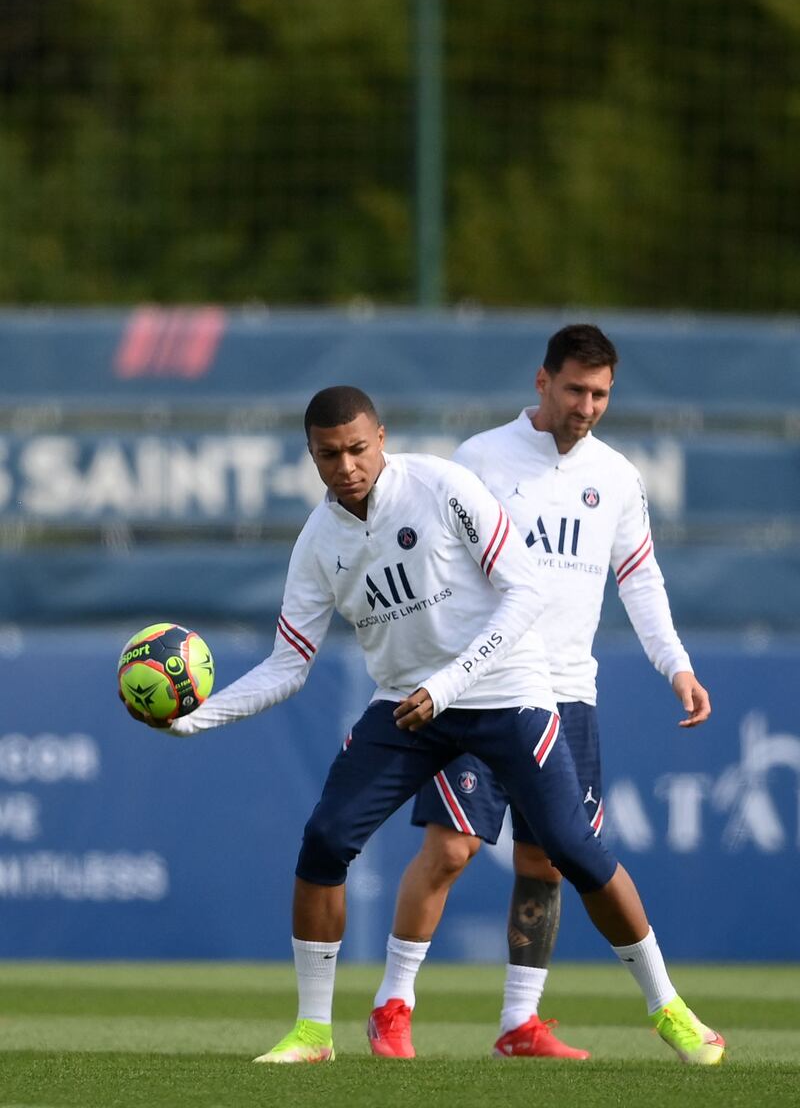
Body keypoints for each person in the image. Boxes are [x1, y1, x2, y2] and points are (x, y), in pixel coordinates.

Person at [129, 384, 724, 1067]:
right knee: (325, 840)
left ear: (381, 437)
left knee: (571, 846)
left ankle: (670, 1009)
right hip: (408, 705)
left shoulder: (443, 485)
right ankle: (314, 1033)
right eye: (329, 455)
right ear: (312, 456)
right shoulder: (318, 542)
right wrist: (198, 719)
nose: (347, 465)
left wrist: (449, 684)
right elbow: (288, 664)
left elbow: (526, 589)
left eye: (358, 448)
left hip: (506, 692)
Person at [367, 324, 713, 1063]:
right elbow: (434, 568)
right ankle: (393, 1005)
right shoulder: (483, 460)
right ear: (542, 382)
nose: (586, 405)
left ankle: (519, 1023)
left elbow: (640, 577)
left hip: (568, 693)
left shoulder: (617, 477)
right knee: (454, 846)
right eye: (574, 389)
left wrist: (675, 664)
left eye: (600, 394)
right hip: (483, 688)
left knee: (547, 862)